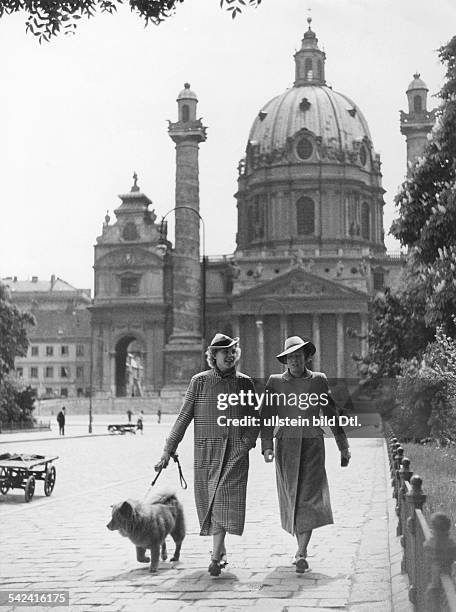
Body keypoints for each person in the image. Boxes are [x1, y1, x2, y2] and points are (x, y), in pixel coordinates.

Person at [155, 333, 259, 576]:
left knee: (223, 501)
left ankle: (214, 557)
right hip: (207, 454)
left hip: (235, 454)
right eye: (225, 352)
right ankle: (220, 552)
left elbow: (255, 420)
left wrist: (247, 443)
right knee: (211, 507)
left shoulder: (245, 383)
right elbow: (183, 418)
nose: (230, 355)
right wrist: (167, 451)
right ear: (213, 356)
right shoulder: (199, 382)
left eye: (233, 351)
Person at [261, 336, 351, 573]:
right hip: (286, 448)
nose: (294, 361)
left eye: (298, 356)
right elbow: (266, 417)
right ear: (285, 360)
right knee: (293, 495)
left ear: (306, 357)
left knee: (308, 497)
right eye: (290, 357)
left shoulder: (318, 381)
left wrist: (343, 447)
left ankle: (301, 551)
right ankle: (300, 547)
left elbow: (332, 414)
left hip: (312, 446)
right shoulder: (275, 382)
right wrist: (267, 446)